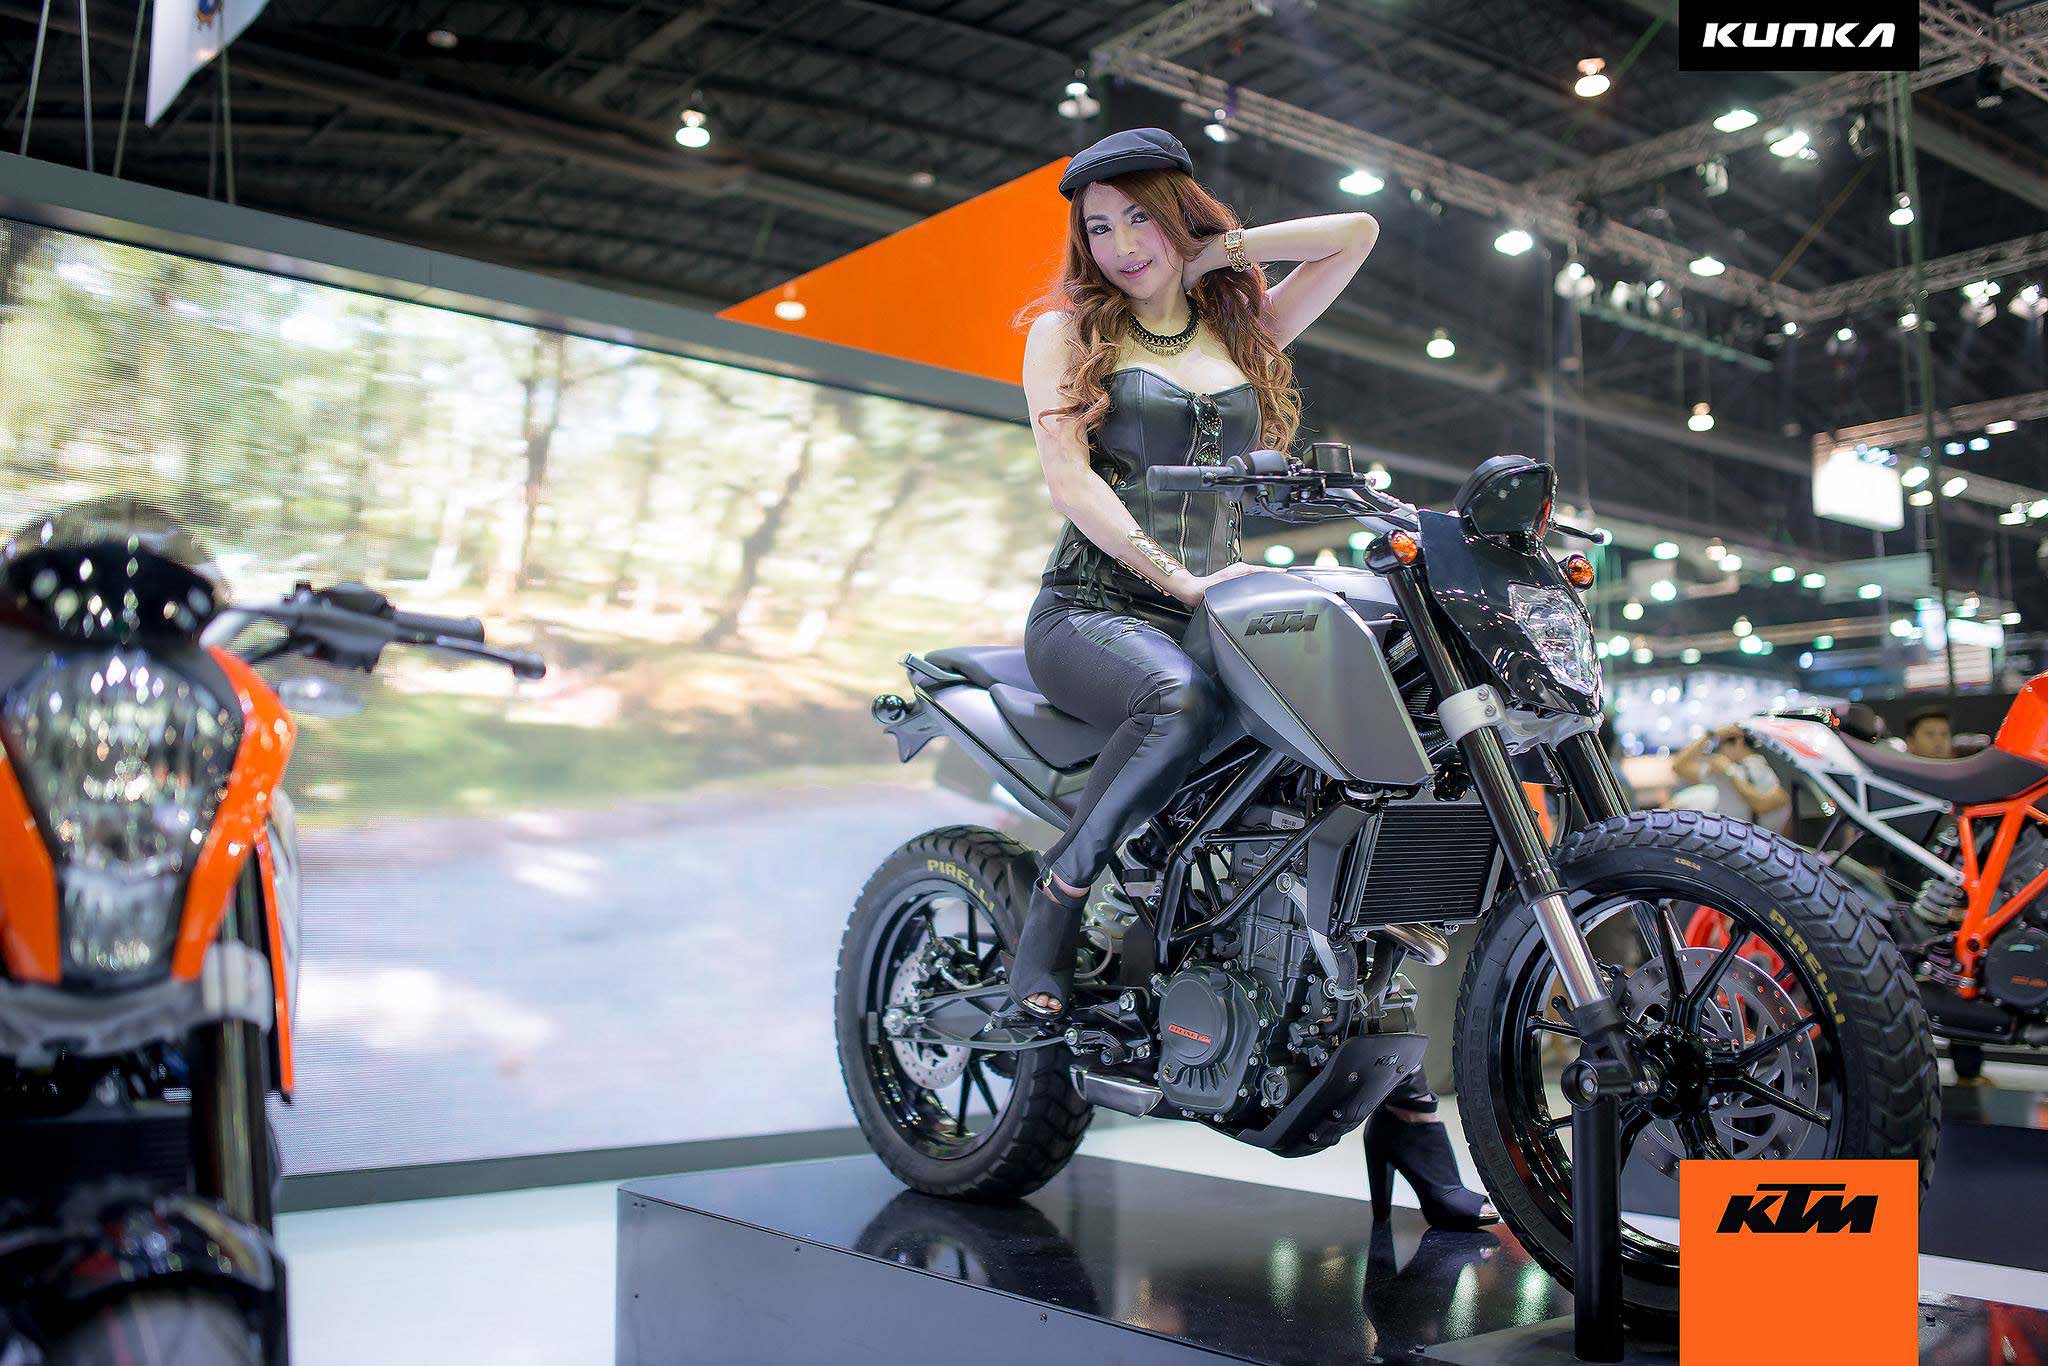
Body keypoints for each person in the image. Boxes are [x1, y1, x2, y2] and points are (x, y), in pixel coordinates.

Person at [991, 126, 1495, 1228]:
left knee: (1357, 782)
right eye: (1099, 228)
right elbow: (1070, 482)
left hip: (1210, 610)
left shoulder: (1237, 327)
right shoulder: (1067, 331)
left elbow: (1355, 232)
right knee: (1178, 698)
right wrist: (1177, 578)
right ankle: (1054, 920)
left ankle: (1403, 1108)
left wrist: (1217, 252)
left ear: (1181, 216)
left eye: (1141, 217)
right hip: (1095, 610)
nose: (1121, 245)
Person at [1669, 724, 1788, 827]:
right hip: (1727, 839)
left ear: (1738, 742)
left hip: (1758, 842)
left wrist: (1730, 772)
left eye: (1721, 746)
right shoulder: (1724, 770)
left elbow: (1763, 806)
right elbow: (1678, 767)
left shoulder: (1773, 771)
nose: (1720, 753)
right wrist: (1710, 735)